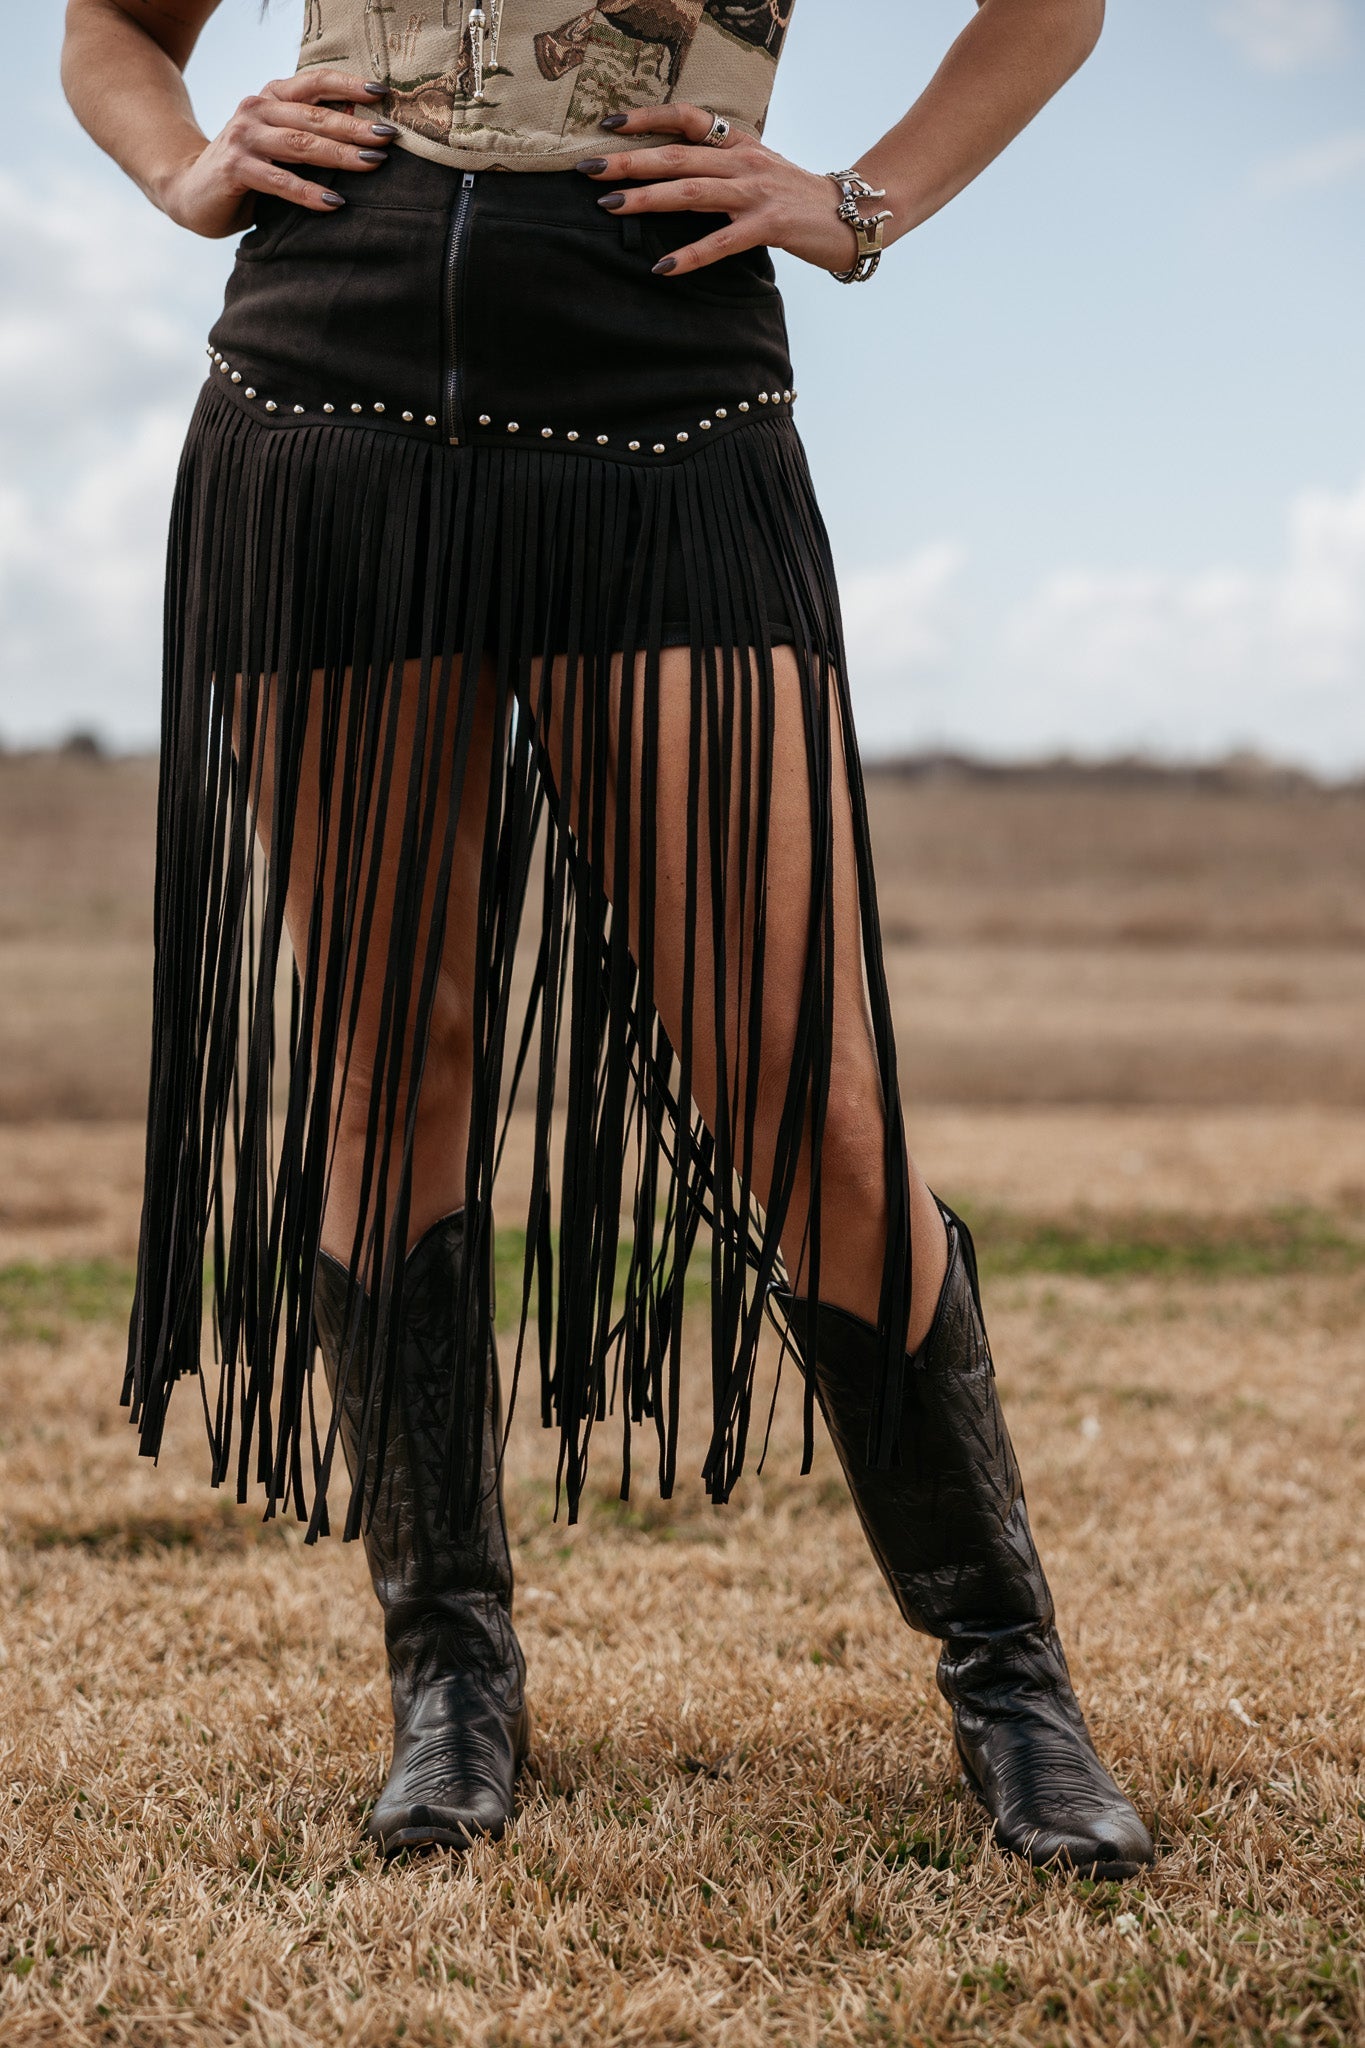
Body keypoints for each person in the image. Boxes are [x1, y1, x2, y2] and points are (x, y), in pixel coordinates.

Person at [62, 0, 1153, 1877]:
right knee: (381, 1059)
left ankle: (1008, 1679)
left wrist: (857, 201)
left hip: (666, 403)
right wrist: (181, 169)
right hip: (327, 392)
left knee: (801, 1094)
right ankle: (451, 1686)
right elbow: (108, 32)